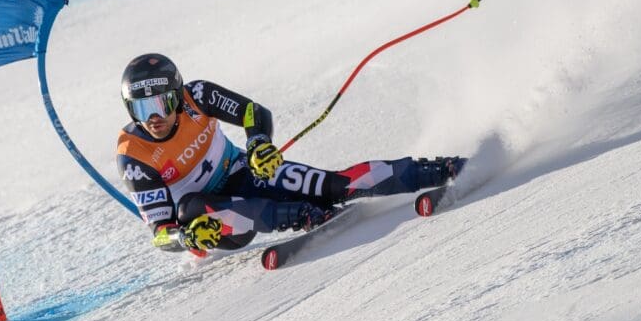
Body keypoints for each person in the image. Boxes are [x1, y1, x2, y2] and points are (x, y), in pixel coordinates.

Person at [115, 53, 464, 254]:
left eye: (162, 104)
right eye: (142, 110)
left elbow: (253, 112)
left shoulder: (199, 95)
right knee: (189, 206)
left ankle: (437, 170)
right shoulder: (134, 154)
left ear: (178, 96)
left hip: (243, 173)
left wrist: (259, 145)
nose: (155, 118)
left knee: (331, 185)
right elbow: (160, 232)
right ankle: (300, 215)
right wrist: (185, 236)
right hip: (220, 221)